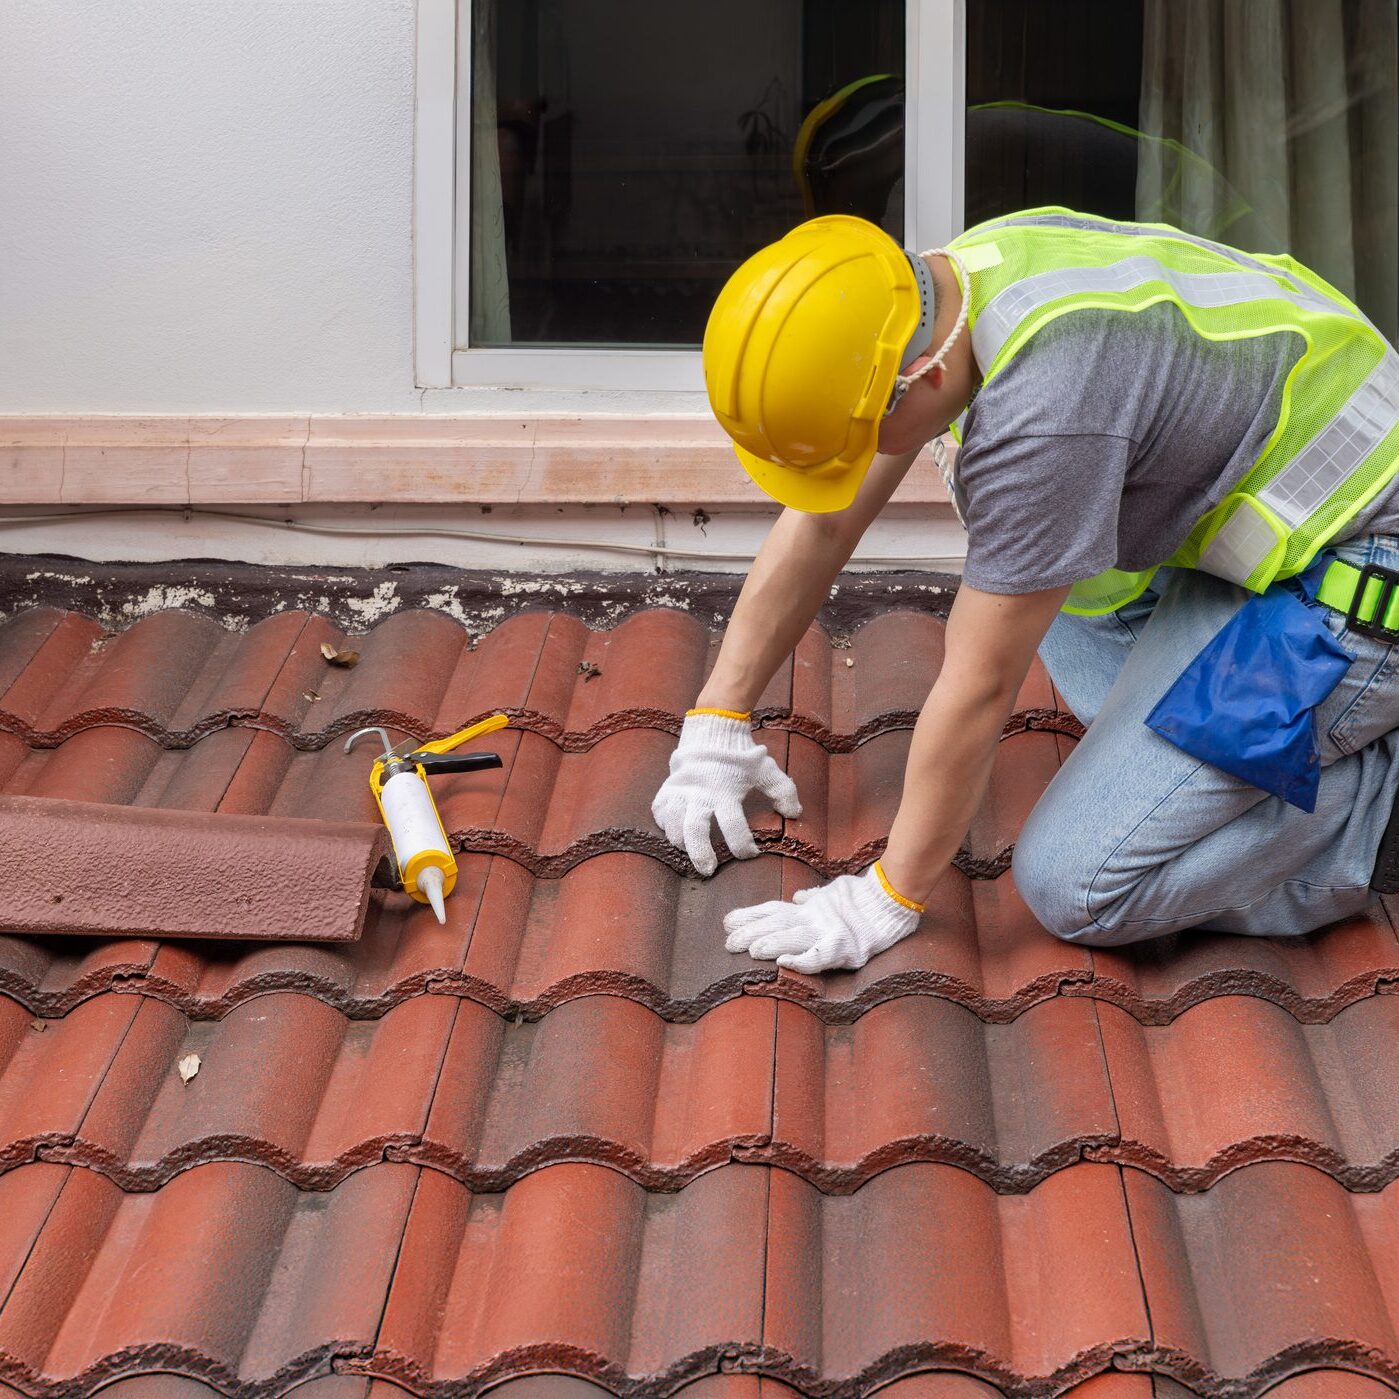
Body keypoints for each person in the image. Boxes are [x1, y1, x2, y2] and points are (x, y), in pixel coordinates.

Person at [650, 207, 1399, 973]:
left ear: (923, 379)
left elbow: (979, 682)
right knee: (1051, 590)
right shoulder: (945, 287)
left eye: (859, 439)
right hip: (1277, 537)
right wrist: (716, 722)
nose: (857, 464)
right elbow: (821, 526)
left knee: (1077, 882)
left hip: (1361, 579)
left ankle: (1373, 811)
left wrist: (887, 893)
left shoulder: (1046, 414)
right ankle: (1255, 747)